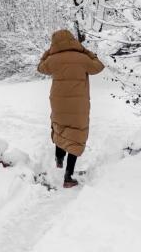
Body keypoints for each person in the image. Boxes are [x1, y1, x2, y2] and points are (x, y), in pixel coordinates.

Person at [37, 29, 105, 188]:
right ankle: (68, 177)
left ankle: (59, 158)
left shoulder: (52, 59)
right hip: (78, 103)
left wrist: (49, 52)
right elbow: (99, 66)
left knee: (60, 127)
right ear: (72, 40)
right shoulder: (81, 58)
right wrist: (84, 50)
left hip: (58, 102)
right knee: (76, 134)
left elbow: (40, 67)